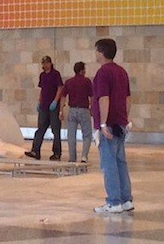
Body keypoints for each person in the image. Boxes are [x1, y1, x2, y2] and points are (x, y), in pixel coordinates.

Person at [92, 38, 134, 214]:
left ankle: (113, 202)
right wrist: (125, 119)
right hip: (120, 123)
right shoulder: (121, 71)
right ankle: (126, 200)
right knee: (120, 162)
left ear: (101, 52)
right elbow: (128, 99)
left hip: (109, 125)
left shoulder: (103, 73)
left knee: (109, 164)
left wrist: (102, 123)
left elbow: (104, 98)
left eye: (96, 50)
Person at [25, 55, 64, 161]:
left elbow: (60, 88)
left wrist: (56, 101)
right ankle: (35, 151)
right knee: (40, 129)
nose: (45, 65)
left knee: (55, 130)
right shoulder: (42, 75)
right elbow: (42, 89)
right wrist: (39, 102)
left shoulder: (55, 74)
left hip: (53, 107)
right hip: (44, 106)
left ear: (50, 63)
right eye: (43, 63)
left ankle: (56, 153)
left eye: (47, 63)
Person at [60, 61, 93, 163]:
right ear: (82, 70)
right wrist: (92, 108)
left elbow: (63, 96)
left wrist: (61, 110)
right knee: (87, 135)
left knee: (71, 136)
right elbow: (92, 96)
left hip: (72, 110)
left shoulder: (69, 82)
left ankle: (72, 158)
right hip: (84, 109)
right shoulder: (87, 81)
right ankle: (84, 156)